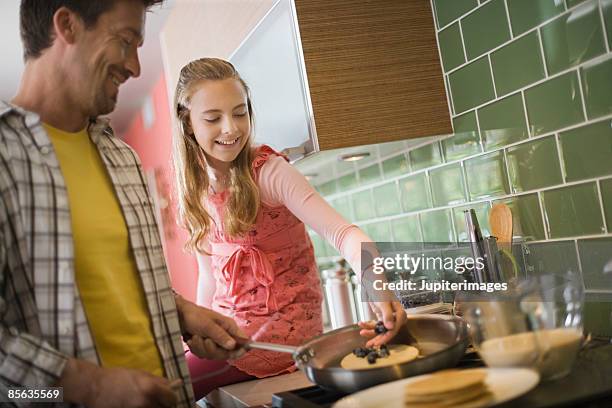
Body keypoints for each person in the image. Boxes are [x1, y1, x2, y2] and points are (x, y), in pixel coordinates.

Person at [0, 2, 248, 407]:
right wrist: (87, 387)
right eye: (126, 40)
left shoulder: (122, 157)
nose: (135, 66)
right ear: (67, 25)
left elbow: (117, 286)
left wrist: (181, 313)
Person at [172, 57, 407, 399]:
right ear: (188, 122)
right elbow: (209, 277)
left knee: (168, 384)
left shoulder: (269, 172)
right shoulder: (195, 190)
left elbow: (344, 234)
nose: (231, 128)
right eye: (213, 118)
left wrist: (377, 286)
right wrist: (195, 338)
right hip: (230, 336)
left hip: (278, 337)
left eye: (240, 113)